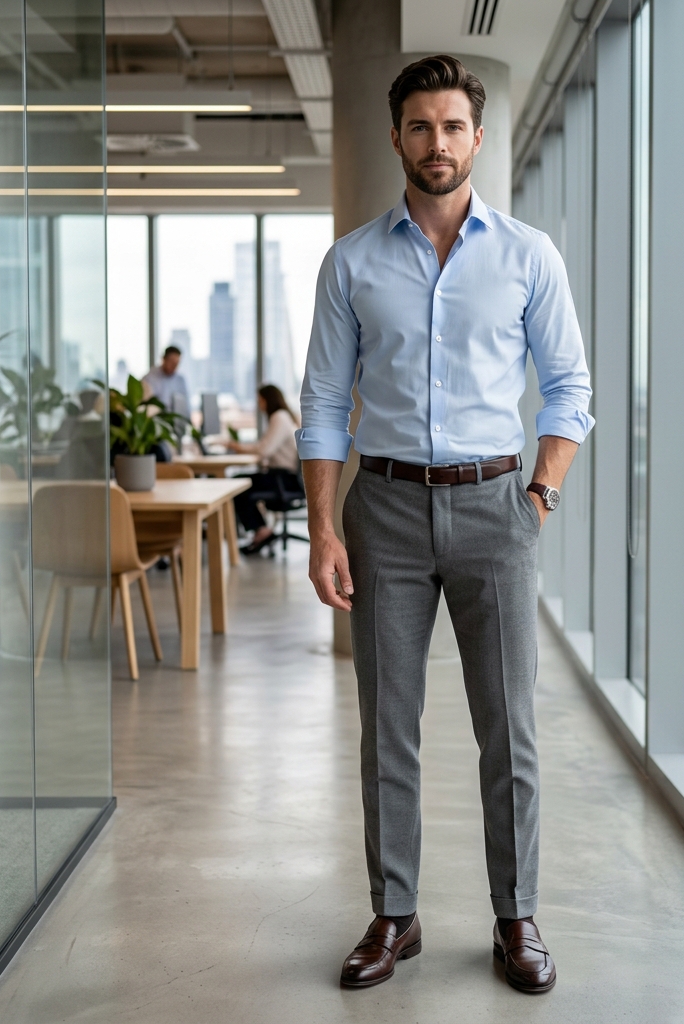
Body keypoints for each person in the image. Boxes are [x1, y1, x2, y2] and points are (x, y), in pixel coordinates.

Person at [297, 55, 594, 994]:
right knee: (388, 725)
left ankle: (517, 917)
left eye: (453, 126)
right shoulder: (351, 260)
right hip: (380, 508)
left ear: (478, 136)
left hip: (495, 505)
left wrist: (538, 495)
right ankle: (396, 914)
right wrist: (323, 528)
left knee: (509, 727)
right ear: (397, 137)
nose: (437, 142)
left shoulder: (527, 255)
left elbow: (569, 388)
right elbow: (322, 404)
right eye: (420, 126)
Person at [226, 384, 301, 555]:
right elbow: (266, 448)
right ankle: (260, 530)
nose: (259, 405)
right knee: (239, 481)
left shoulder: (279, 417)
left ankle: (261, 531)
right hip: (281, 476)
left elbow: (264, 450)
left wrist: (239, 447)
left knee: (237, 485)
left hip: (283, 478)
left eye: (260, 400)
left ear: (267, 400)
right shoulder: (282, 416)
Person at [142, 345, 189, 411]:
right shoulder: (149, 378)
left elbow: (185, 405)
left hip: (175, 419)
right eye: (171, 362)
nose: (174, 366)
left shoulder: (180, 380)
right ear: (163, 359)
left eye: (176, 364)